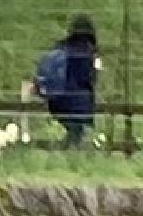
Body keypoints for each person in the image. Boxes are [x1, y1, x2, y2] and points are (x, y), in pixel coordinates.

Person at [31, 16, 100, 148]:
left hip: (55, 100)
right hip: (78, 103)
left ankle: (63, 151)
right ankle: (69, 152)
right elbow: (87, 79)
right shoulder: (87, 53)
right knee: (76, 134)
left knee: (71, 134)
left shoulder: (61, 47)